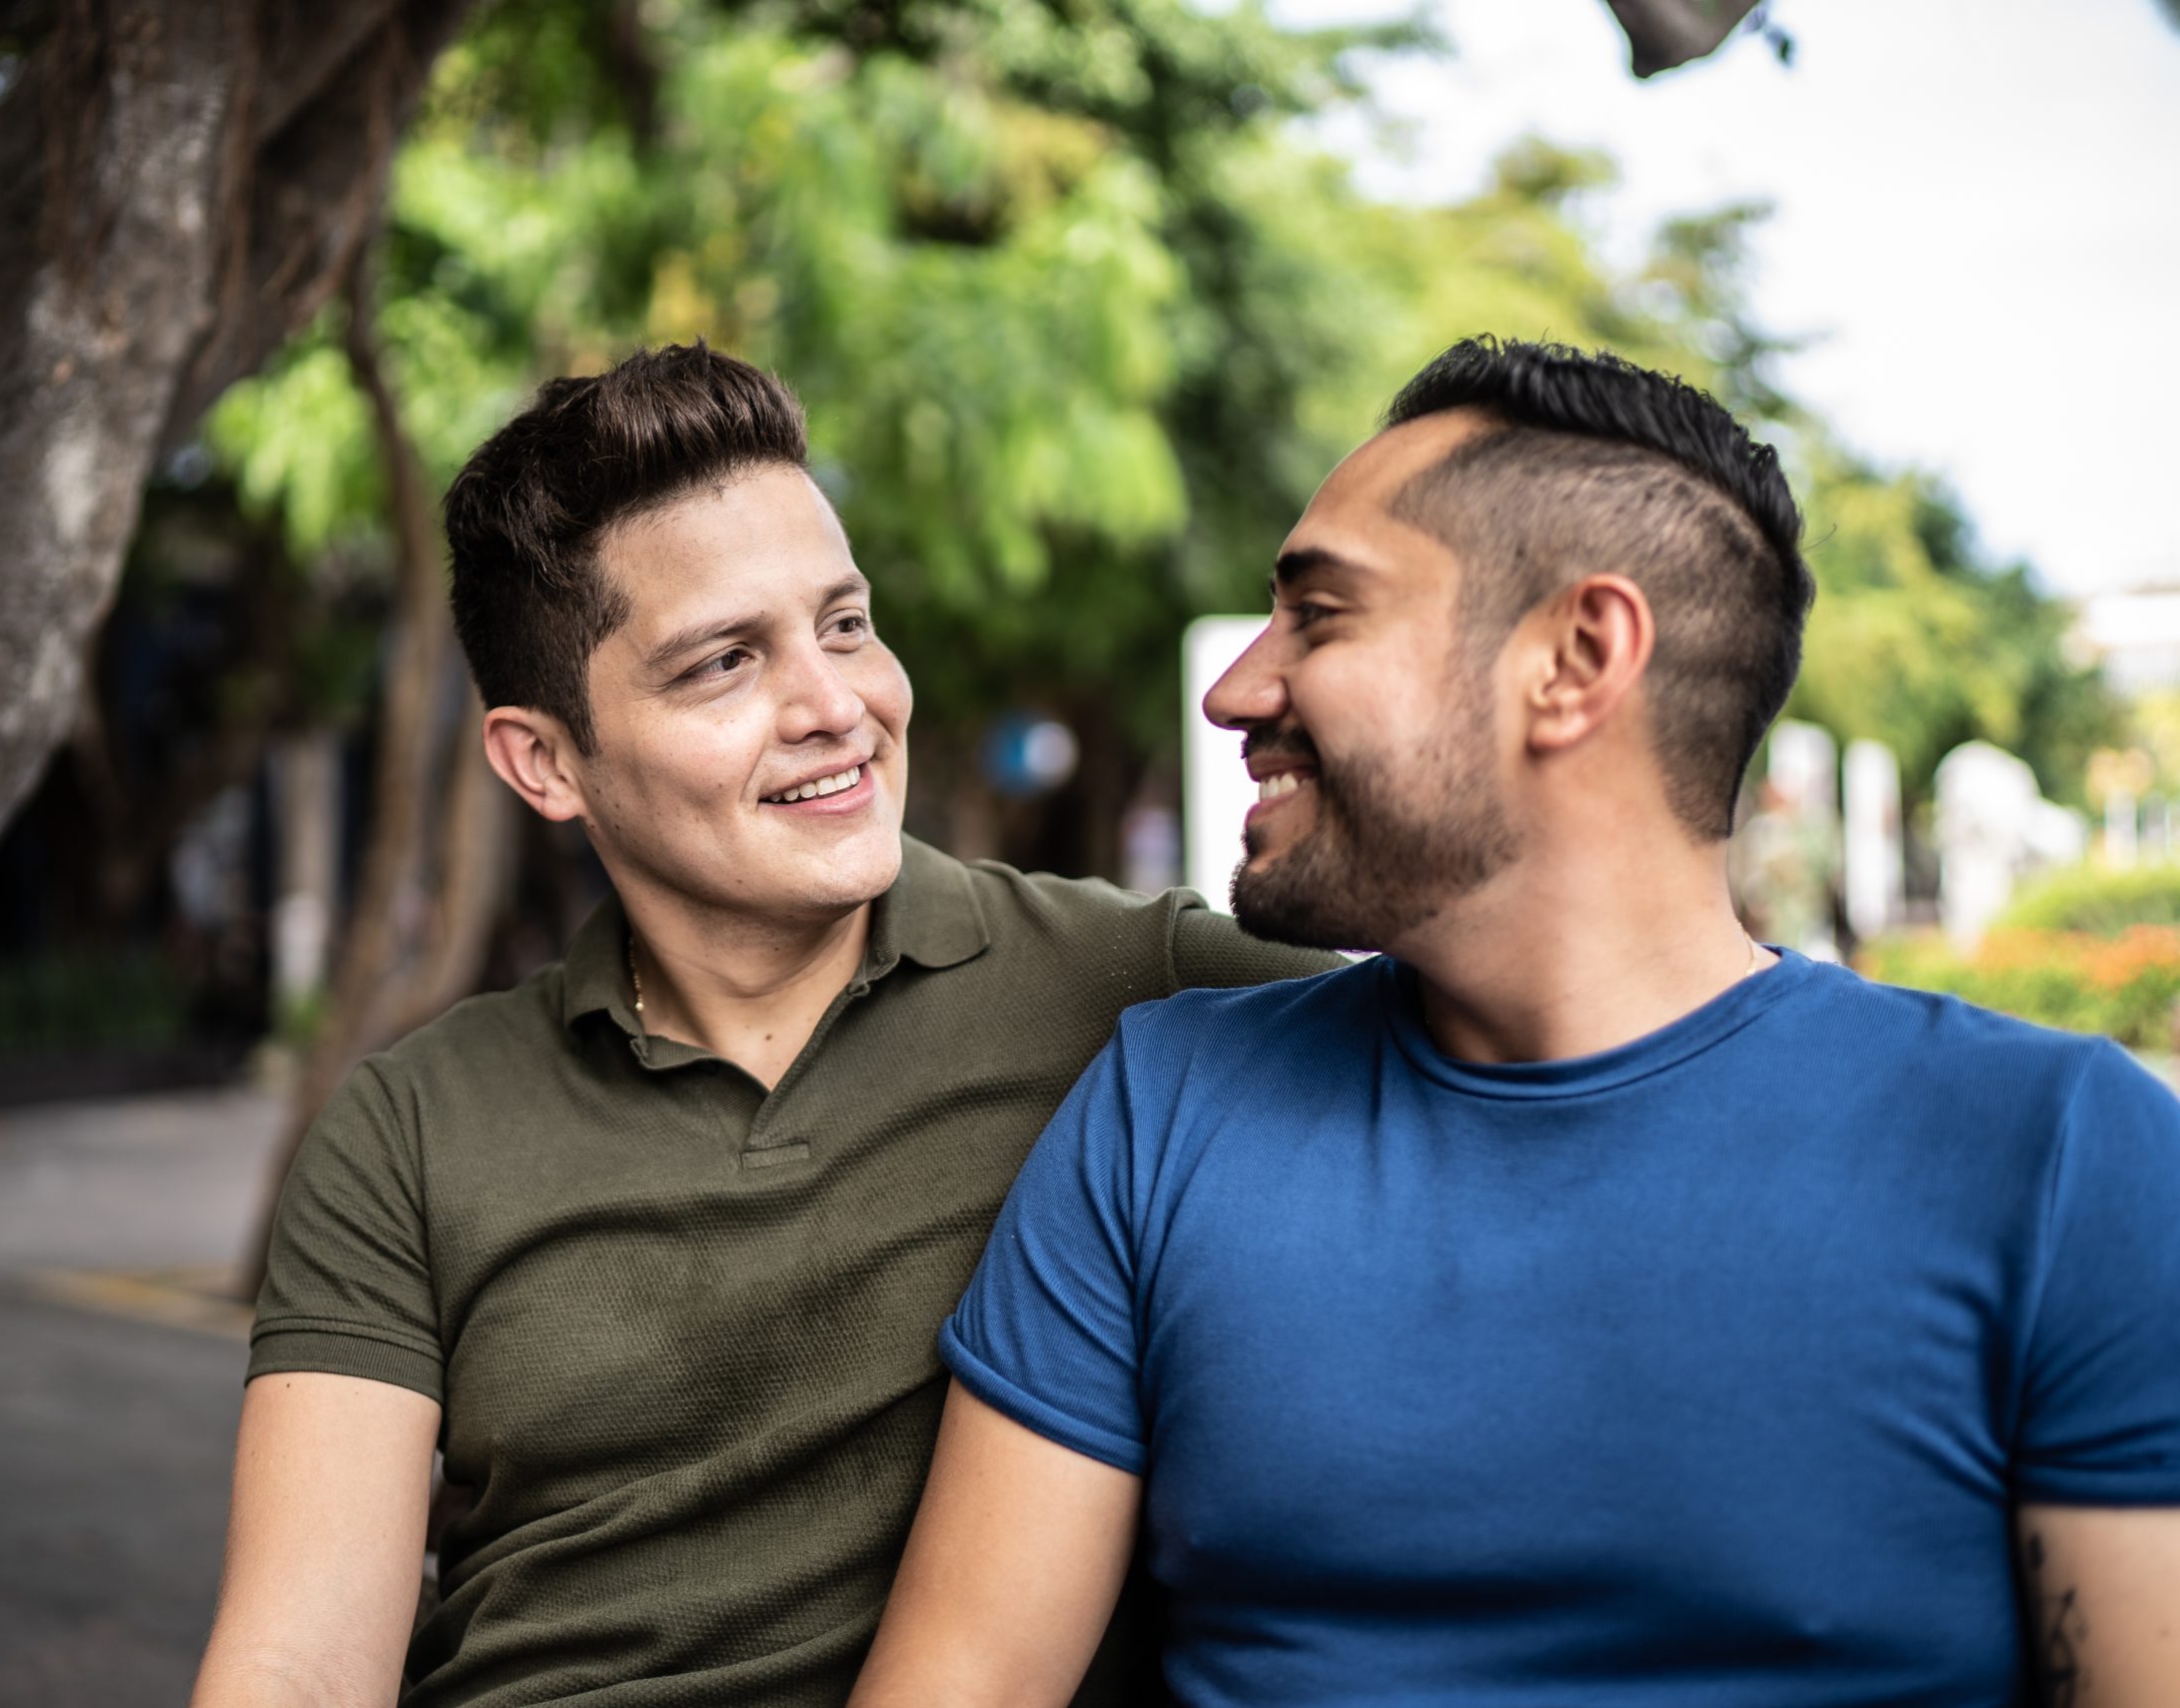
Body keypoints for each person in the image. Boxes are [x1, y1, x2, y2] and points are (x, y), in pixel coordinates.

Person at [850, 337, 2180, 1708]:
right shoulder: (1164, 1108)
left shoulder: (2065, 1157)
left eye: (1321, 615)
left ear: (1577, 656)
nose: (1236, 690)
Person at [187, 344, 1336, 1708]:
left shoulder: (1149, 992)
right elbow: (300, 1661)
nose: (835, 706)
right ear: (543, 761)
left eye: (844, 624)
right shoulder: (409, 1129)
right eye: (724, 663)